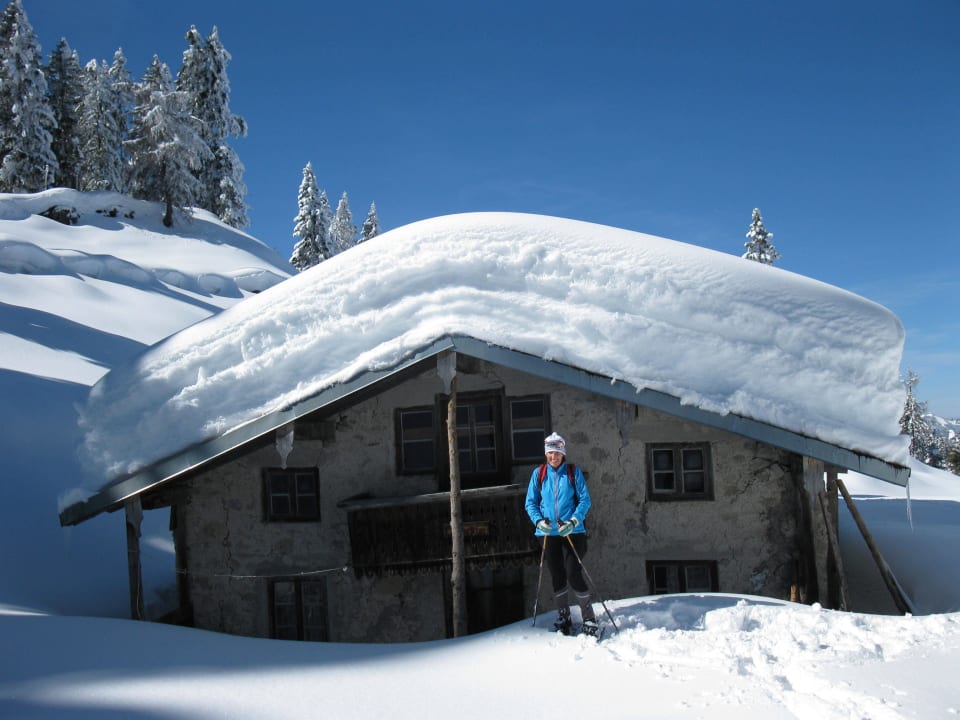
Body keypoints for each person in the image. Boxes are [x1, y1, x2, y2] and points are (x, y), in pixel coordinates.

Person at [524, 431, 598, 636]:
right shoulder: (539, 474)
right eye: (550, 452)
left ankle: (589, 617)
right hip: (548, 533)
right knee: (557, 573)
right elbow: (530, 503)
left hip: (573, 531)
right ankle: (564, 616)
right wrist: (539, 521)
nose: (553, 456)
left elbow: (585, 500)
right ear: (546, 454)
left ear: (563, 453)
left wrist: (574, 521)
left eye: (557, 452)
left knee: (573, 572)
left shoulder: (573, 472)